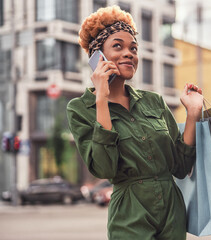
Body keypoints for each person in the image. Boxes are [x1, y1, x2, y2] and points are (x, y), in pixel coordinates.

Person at [66, 6, 203, 240]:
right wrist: (101, 98)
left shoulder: (154, 101)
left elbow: (180, 167)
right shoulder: (80, 108)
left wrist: (193, 114)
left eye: (133, 48)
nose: (129, 53)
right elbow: (105, 168)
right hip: (130, 213)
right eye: (117, 46)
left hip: (172, 212)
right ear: (97, 56)